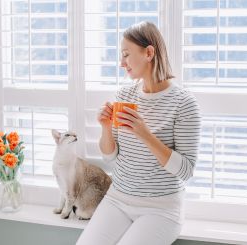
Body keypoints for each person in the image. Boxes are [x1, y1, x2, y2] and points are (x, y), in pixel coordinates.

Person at [76, 21, 201, 245]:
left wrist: (145, 134)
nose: (121, 63)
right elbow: (110, 157)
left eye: (126, 54)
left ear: (149, 53)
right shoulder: (124, 95)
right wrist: (105, 127)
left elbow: (186, 171)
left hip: (161, 208)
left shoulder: (184, 103)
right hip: (117, 199)